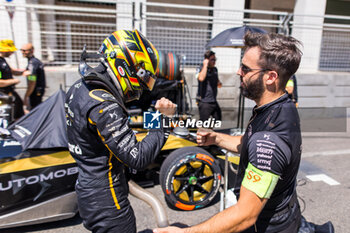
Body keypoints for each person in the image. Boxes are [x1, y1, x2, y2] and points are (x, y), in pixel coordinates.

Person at [154, 32, 303, 233]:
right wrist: (216, 138)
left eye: (245, 68)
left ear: (271, 77)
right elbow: (247, 142)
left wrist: (185, 232)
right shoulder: (281, 104)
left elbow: (245, 215)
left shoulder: (268, 141)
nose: (238, 72)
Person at [65, 29, 176, 233]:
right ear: (126, 66)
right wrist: (164, 119)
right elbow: (138, 157)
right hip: (108, 201)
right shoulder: (103, 104)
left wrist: (153, 114)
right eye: (142, 78)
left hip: (88, 187)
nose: (141, 88)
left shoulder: (80, 87)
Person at [0, 39, 25, 120]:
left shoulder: (3, 60)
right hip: (3, 94)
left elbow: (11, 71)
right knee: (8, 115)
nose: (12, 53)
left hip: (9, 92)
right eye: (10, 51)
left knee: (19, 108)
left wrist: (23, 72)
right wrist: (14, 81)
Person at [196, 50, 222, 121]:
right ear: (206, 60)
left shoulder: (215, 69)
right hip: (204, 101)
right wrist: (205, 65)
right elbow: (201, 78)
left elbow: (217, 80)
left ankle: (209, 131)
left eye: (215, 59)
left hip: (213, 100)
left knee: (218, 119)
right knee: (203, 122)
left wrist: (219, 83)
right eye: (212, 60)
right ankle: (203, 131)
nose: (214, 61)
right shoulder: (200, 68)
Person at [21, 43, 46, 111]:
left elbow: (32, 80)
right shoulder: (33, 61)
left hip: (35, 91)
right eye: (22, 50)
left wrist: (27, 95)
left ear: (32, 51)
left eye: (25, 50)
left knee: (34, 110)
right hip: (37, 91)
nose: (23, 52)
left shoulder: (33, 62)